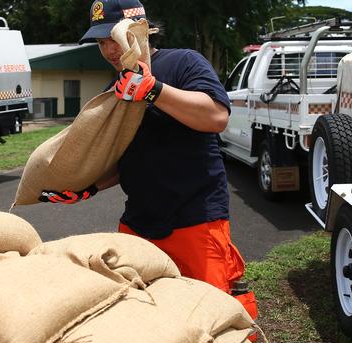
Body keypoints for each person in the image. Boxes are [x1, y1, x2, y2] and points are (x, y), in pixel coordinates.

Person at [39, 0, 255, 318]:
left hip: (195, 221)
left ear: (139, 32)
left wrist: (153, 90)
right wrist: (89, 187)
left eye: (114, 38)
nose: (110, 50)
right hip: (138, 225)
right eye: (101, 43)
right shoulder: (115, 88)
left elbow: (216, 116)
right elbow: (125, 157)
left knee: (210, 316)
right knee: (143, 314)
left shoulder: (184, 63)